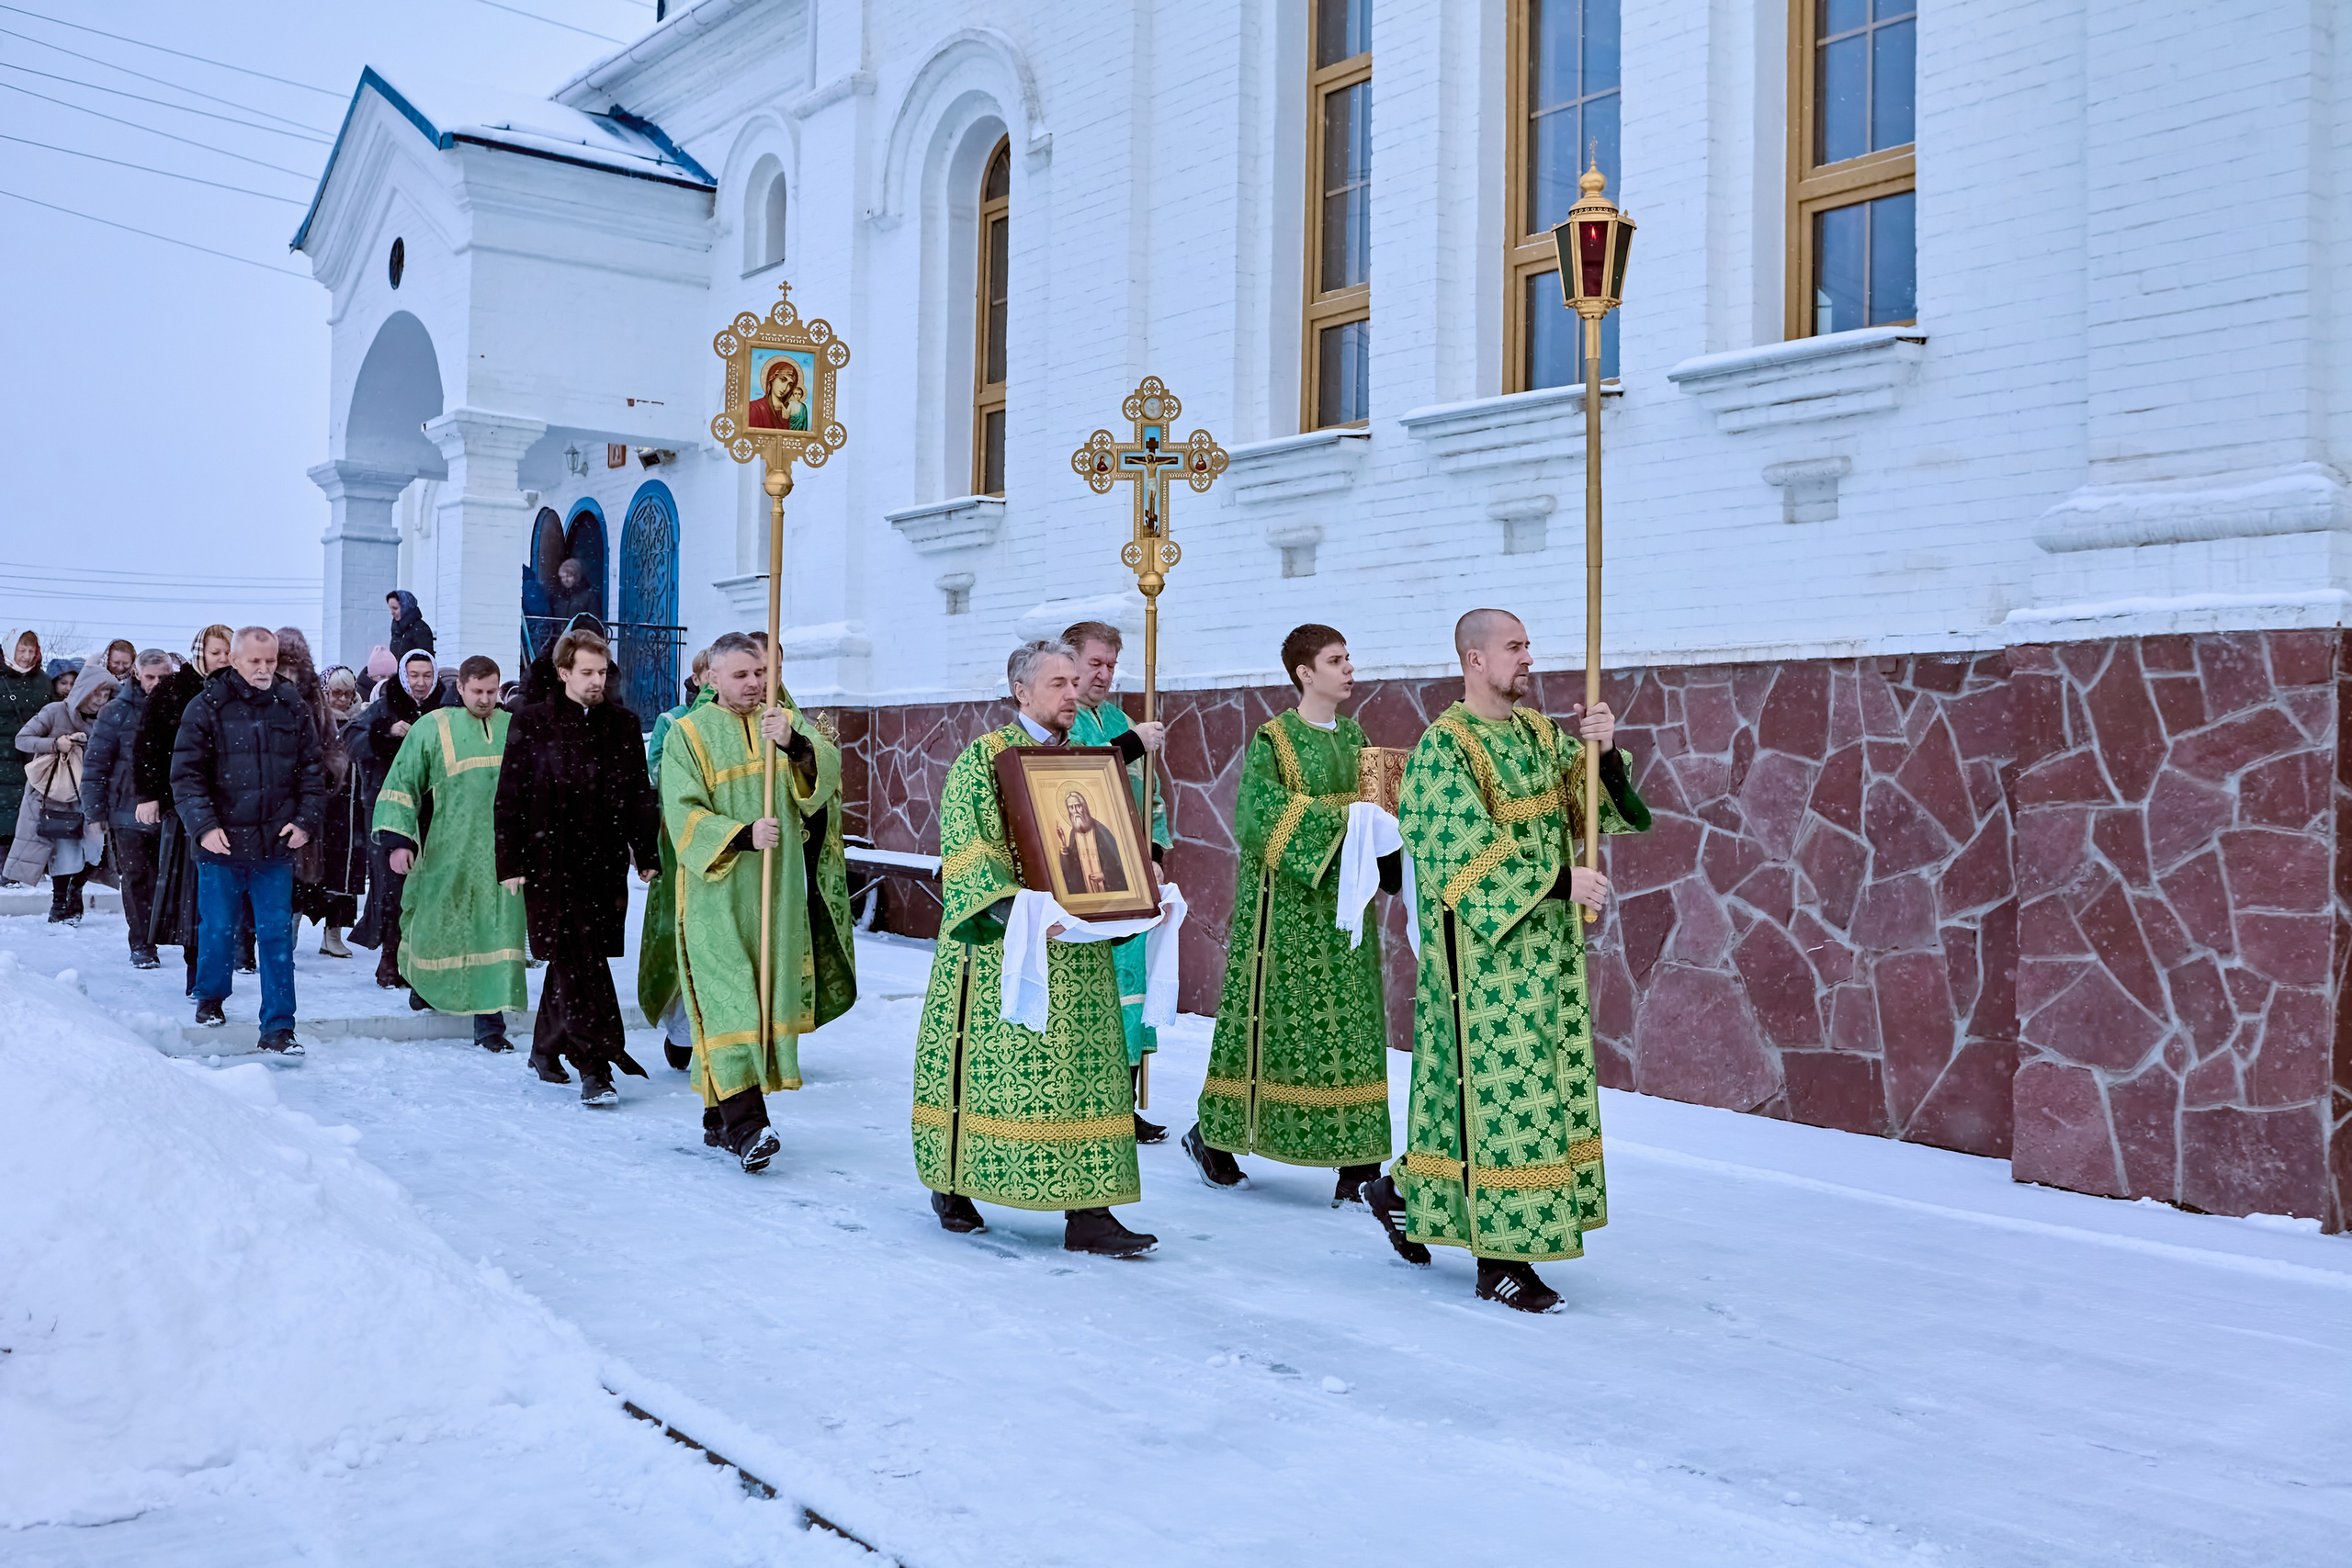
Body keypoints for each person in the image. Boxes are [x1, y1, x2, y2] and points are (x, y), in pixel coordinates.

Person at [1375, 608, 1649, 1314]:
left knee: (1505, 1093)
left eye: (1529, 644)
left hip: (1547, 952)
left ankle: (1400, 1188)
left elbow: (1588, 808)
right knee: (1499, 1098)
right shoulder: (1446, 748)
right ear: (1474, 659)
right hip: (1482, 958)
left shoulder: (1535, 734)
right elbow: (1456, 849)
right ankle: (1500, 1258)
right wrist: (1560, 881)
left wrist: (1602, 752)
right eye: (1514, 647)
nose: (1528, 658)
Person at [912, 639, 1157, 1257]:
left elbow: (1105, 843)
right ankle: (954, 1182)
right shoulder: (983, 760)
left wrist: (1133, 890)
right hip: (1006, 948)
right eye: (1059, 684)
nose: (1074, 694)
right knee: (994, 1075)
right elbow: (968, 850)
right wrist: (1017, 907)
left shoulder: (1089, 762)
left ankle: (1091, 1209)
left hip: (1080, 949)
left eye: (1076, 682)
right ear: (1022, 691)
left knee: (1089, 1077)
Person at [1184, 625, 1397, 1201]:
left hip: (1348, 911)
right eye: (1336, 660)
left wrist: (1388, 840)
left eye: (1349, 658)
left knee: (1351, 1029)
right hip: (1284, 917)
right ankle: (1217, 1135)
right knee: (1270, 1025)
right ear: (1306, 673)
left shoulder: (1358, 736)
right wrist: (1346, 823)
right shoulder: (1273, 739)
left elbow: (1380, 810)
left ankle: (1357, 1164)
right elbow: (1257, 818)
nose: (1349, 668)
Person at [661, 632, 854, 1169]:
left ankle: (718, 1116)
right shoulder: (688, 734)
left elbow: (826, 782)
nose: (754, 684)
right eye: (742, 675)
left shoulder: (783, 723)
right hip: (716, 891)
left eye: (761, 673)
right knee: (730, 1001)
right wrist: (742, 835)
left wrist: (795, 746)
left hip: (777, 889)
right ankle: (750, 1128)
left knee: (763, 998)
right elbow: (681, 811)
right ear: (712, 678)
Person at [494, 630, 662, 1104]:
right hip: (549, 865)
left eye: (602, 672)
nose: (596, 681)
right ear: (564, 672)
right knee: (579, 958)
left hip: (602, 865)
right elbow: (510, 798)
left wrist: (645, 853)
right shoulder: (531, 723)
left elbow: (637, 795)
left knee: (580, 957)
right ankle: (596, 1065)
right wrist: (510, 862)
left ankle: (545, 1047)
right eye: (586, 672)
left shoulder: (623, 725)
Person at [171, 627, 325, 1053]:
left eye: (270, 661)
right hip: (220, 845)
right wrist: (203, 825)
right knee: (218, 929)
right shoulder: (205, 707)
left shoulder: (291, 705)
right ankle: (211, 997)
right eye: (255, 661)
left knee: (276, 934)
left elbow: (313, 771)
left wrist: (305, 822)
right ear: (234, 660)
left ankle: (279, 1027)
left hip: (275, 844)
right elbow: (186, 777)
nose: (264, 669)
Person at [373, 655, 525, 1054]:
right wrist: (398, 840)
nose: (485, 699)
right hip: (448, 849)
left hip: (501, 854)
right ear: (460, 688)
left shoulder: (514, 727)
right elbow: (402, 782)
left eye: (492, 691)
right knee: (439, 926)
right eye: (477, 691)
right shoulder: (432, 727)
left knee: (496, 933)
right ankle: (426, 985)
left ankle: (490, 1023)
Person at [1061, 620, 1171, 1143]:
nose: (1104, 674)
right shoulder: (1069, 720)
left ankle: (1124, 1105)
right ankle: (1093, 1103)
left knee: (1132, 988)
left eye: (1111, 664)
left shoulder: (1116, 716)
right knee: (1097, 989)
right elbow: (1072, 776)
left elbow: (1150, 797)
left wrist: (1152, 855)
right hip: (1086, 875)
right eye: (1095, 663)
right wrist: (1131, 744)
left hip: (1131, 875)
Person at [142, 626, 236, 993]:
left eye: (229, 652)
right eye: (216, 652)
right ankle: (195, 969)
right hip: (185, 805)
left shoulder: (242, 693)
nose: (224, 659)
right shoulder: (172, 691)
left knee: (226, 894)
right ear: (201, 653)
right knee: (190, 894)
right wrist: (150, 794)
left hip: (231, 805)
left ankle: (223, 966)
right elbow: (147, 745)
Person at [637, 645, 712, 1071]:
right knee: (683, 937)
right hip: (681, 843)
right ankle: (682, 1032)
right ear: (699, 677)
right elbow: (657, 774)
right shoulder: (671, 721)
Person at [356, 650, 447, 989]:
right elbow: (351, 742)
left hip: (434, 811)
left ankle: (420, 960)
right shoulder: (385, 704)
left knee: (427, 889)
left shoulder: (444, 708)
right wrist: (385, 732)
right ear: (403, 676)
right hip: (389, 810)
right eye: (414, 675)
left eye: (426, 675)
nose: (421, 682)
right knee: (392, 887)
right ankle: (389, 958)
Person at [6, 660, 118, 919]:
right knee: (64, 853)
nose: (100, 700)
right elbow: (22, 739)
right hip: (55, 794)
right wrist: (55, 743)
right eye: (96, 692)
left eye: (106, 694)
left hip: (92, 796)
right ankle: (60, 903)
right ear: (84, 689)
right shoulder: (56, 711)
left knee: (94, 851)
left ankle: (74, 893)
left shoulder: (109, 719)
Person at [82, 649, 171, 964]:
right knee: (136, 878)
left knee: (168, 877)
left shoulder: (181, 708)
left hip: (170, 810)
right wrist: (95, 811)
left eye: (164, 677)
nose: (157, 684)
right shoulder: (115, 712)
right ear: (137, 674)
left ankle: (166, 936)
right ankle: (142, 945)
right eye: (151, 677)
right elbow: (95, 764)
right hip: (125, 809)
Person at [273, 628, 356, 958]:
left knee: (297, 872)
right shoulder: (259, 694)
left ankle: (286, 941)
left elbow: (332, 746)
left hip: (304, 797)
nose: (289, 673)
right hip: (262, 798)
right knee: (267, 874)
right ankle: (256, 945)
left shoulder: (312, 700)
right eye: (284, 664)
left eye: (296, 665)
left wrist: (324, 773)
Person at [311, 666, 369, 956]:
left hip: (351, 808)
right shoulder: (313, 721)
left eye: (349, 693)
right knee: (311, 870)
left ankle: (333, 933)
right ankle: (292, 929)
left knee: (345, 872)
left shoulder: (362, 720)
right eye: (336, 693)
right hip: (322, 807)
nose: (343, 699)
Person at [0, 629, 51, 875]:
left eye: (31, 650)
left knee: (28, 812)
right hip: (3, 756)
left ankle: (24, 868)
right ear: (10, 650)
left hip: (33, 756)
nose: (27, 656)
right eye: (21, 650)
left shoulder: (42, 680)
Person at [387, 590, 435, 661]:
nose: (392, 612)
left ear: (406, 607)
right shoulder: (397, 630)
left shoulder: (420, 629)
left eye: (395, 608)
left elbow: (425, 659)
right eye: (391, 609)